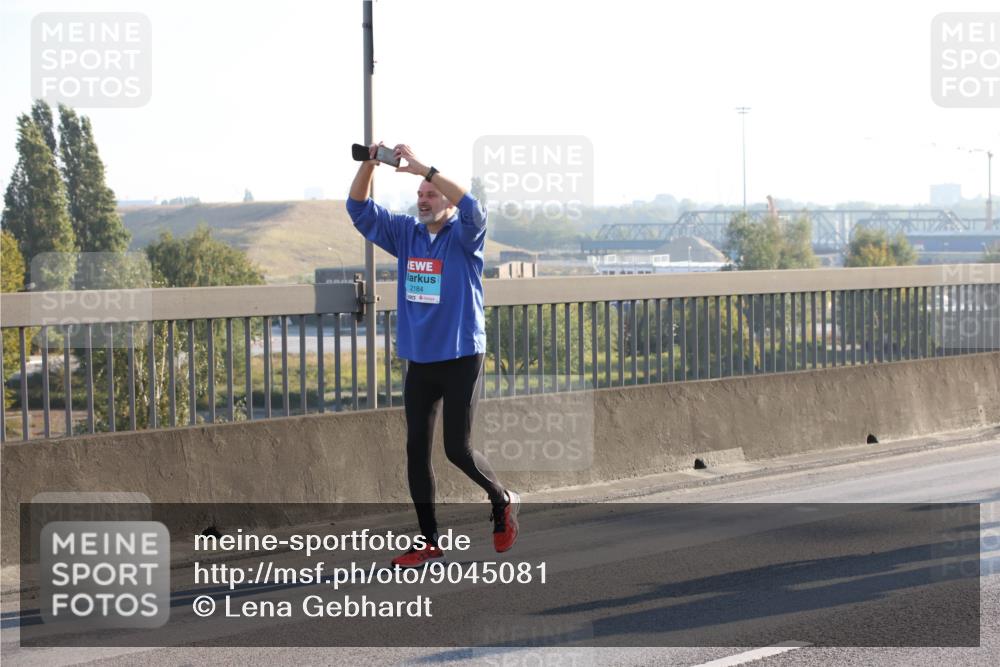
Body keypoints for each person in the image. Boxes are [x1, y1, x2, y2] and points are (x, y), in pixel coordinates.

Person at [346, 142, 519, 568]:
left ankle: (502, 500)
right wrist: (370, 165)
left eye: (431, 194)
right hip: (420, 359)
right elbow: (358, 209)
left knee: (456, 450)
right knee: (416, 450)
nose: (422, 199)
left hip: (461, 356)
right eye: (420, 195)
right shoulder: (407, 234)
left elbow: (473, 205)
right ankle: (428, 541)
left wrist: (423, 168)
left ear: (446, 200)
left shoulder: (464, 236)